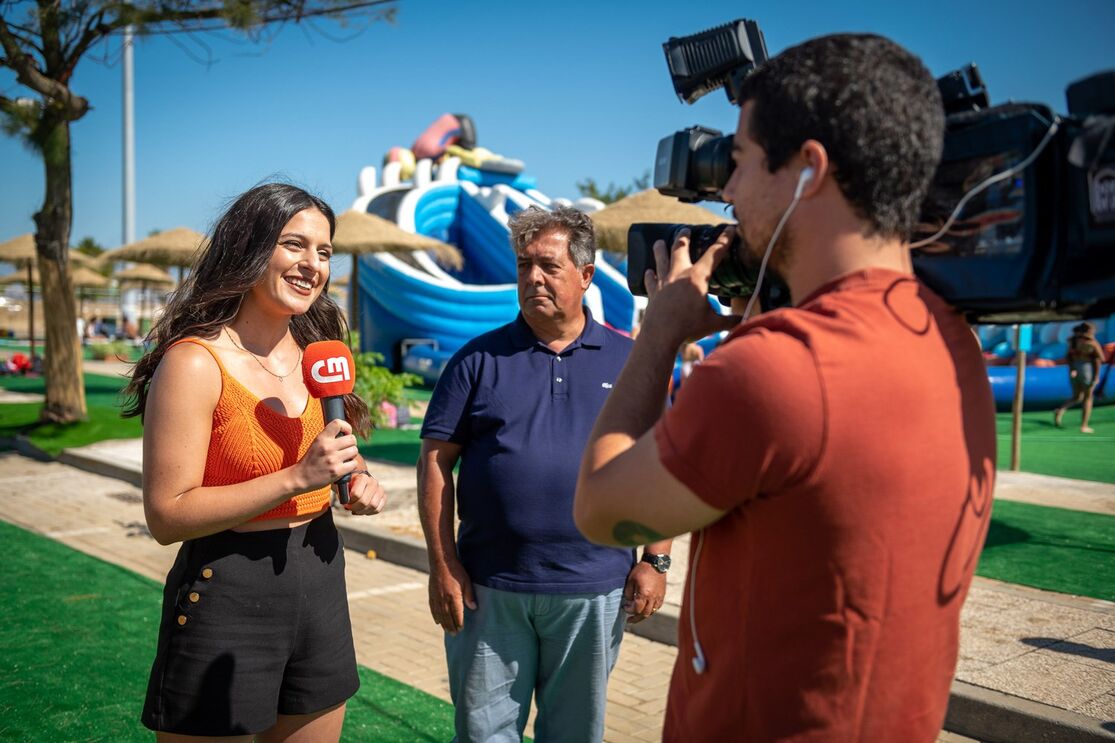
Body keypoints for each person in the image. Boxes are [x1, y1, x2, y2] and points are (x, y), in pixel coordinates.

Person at [574, 33, 996, 741]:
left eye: (736, 163)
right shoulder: (954, 342)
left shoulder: (773, 370)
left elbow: (601, 510)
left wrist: (658, 338)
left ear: (808, 169)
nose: (728, 193)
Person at [123, 183, 388, 741]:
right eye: (295, 245)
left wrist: (356, 478)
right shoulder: (195, 363)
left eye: (324, 251)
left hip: (320, 575)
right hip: (229, 588)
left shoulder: (320, 353)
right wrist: (297, 477)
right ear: (249, 247)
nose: (313, 265)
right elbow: (166, 516)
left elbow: (333, 455)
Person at [418, 206, 673, 742]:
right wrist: (443, 565)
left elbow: (658, 463)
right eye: (523, 265)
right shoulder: (475, 361)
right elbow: (436, 461)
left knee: (574, 735)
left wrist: (657, 560)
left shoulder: (632, 361)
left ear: (584, 275)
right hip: (489, 590)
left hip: (593, 590)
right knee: (485, 734)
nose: (533, 277)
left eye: (549, 266)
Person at [1054, 321, 1106, 433]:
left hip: (1074, 369)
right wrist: (1096, 377)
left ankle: (1061, 410)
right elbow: (1101, 358)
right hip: (1086, 370)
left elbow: (1067, 357)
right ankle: (1084, 425)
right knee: (1088, 398)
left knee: (1077, 397)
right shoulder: (1091, 343)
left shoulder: (1073, 341)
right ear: (1090, 331)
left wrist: (1072, 369)